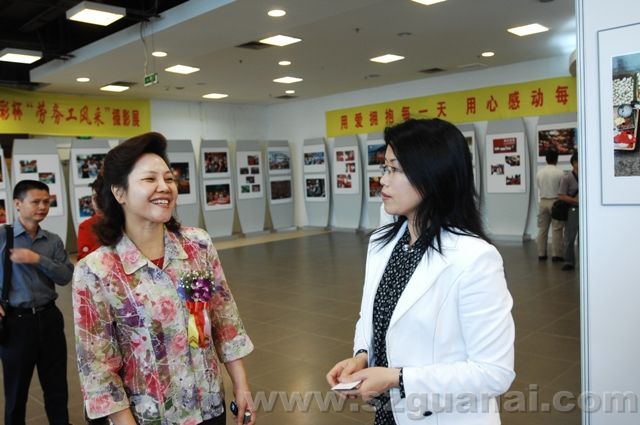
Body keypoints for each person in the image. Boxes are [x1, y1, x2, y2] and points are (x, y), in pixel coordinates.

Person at [326, 118, 515, 425]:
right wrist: (362, 356)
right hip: (390, 415)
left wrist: (397, 379)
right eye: (384, 168)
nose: (383, 180)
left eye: (395, 169)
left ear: (432, 175)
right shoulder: (383, 243)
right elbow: (370, 316)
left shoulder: (475, 258)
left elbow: (494, 373)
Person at [72, 132, 255, 425]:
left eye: (169, 178)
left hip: (209, 406)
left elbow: (225, 319)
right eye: (149, 179)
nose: (165, 187)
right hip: (148, 417)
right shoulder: (96, 270)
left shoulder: (197, 245)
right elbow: (98, 368)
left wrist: (241, 384)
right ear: (119, 193)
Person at [0, 180, 74, 425]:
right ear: (17, 204)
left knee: (56, 387)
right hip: (16, 322)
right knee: (16, 391)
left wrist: (38, 259)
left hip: (49, 318)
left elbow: (65, 276)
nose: (42, 207)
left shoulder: (52, 241)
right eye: (35, 202)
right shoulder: (3, 237)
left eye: (46, 202)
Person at [535, 148, 565, 261]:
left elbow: (539, 186)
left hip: (543, 201)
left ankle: (541, 253)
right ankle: (556, 255)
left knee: (542, 229)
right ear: (556, 159)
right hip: (556, 202)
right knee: (557, 229)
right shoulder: (560, 172)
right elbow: (562, 188)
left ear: (546, 159)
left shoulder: (540, 173)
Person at [558, 151, 579, 271]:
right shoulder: (567, 178)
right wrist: (574, 201)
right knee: (570, 236)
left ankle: (584, 260)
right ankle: (569, 261)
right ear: (574, 163)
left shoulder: (587, 175)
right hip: (573, 209)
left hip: (585, 210)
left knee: (584, 238)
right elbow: (561, 195)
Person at [76, 175, 104, 261]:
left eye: (101, 197)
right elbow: (83, 261)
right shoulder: (86, 226)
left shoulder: (126, 221)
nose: (96, 200)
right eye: (93, 196)